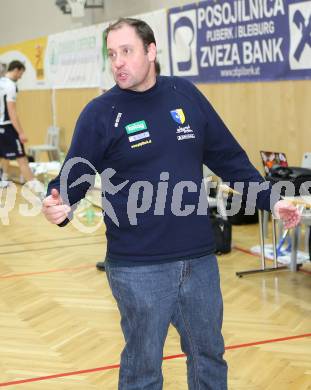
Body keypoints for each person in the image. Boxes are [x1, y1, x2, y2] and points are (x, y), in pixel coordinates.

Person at [42, 18, 301, 390]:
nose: (118, 62)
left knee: (209, 355)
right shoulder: (101, 112)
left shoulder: (185, 95)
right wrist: (60, 204)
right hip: (137, 269)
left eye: (126, 51)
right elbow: (72, 179)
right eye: (112, 54)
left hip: (199, 261)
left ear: (151, 51)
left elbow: (229, 159)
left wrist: (271, 201)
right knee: (143, 370)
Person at [0, 60, 34, 185]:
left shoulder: (1, 82)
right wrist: (21, 133)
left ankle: (2, 179)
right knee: (22, 160)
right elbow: (12, 111)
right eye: (21, 73)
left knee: (4, 156)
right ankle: (39, 192)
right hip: (8, 127)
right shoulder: (10, 86)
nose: (20, 76)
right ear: (16, 70)